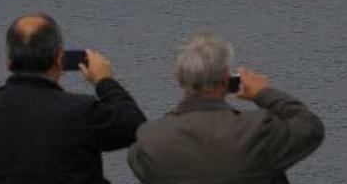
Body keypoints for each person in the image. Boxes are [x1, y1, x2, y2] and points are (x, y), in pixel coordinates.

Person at [0, 13, 146, 184]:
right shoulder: (81, 111)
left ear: (9, 61)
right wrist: (104, 81)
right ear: (59, 58)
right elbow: (135, 126)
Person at [128, 33, 324, 184]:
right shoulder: (256, 131)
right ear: (225, 78)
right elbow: (310, 127)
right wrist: (263, 93)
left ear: (179, 77)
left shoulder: (151, 139)